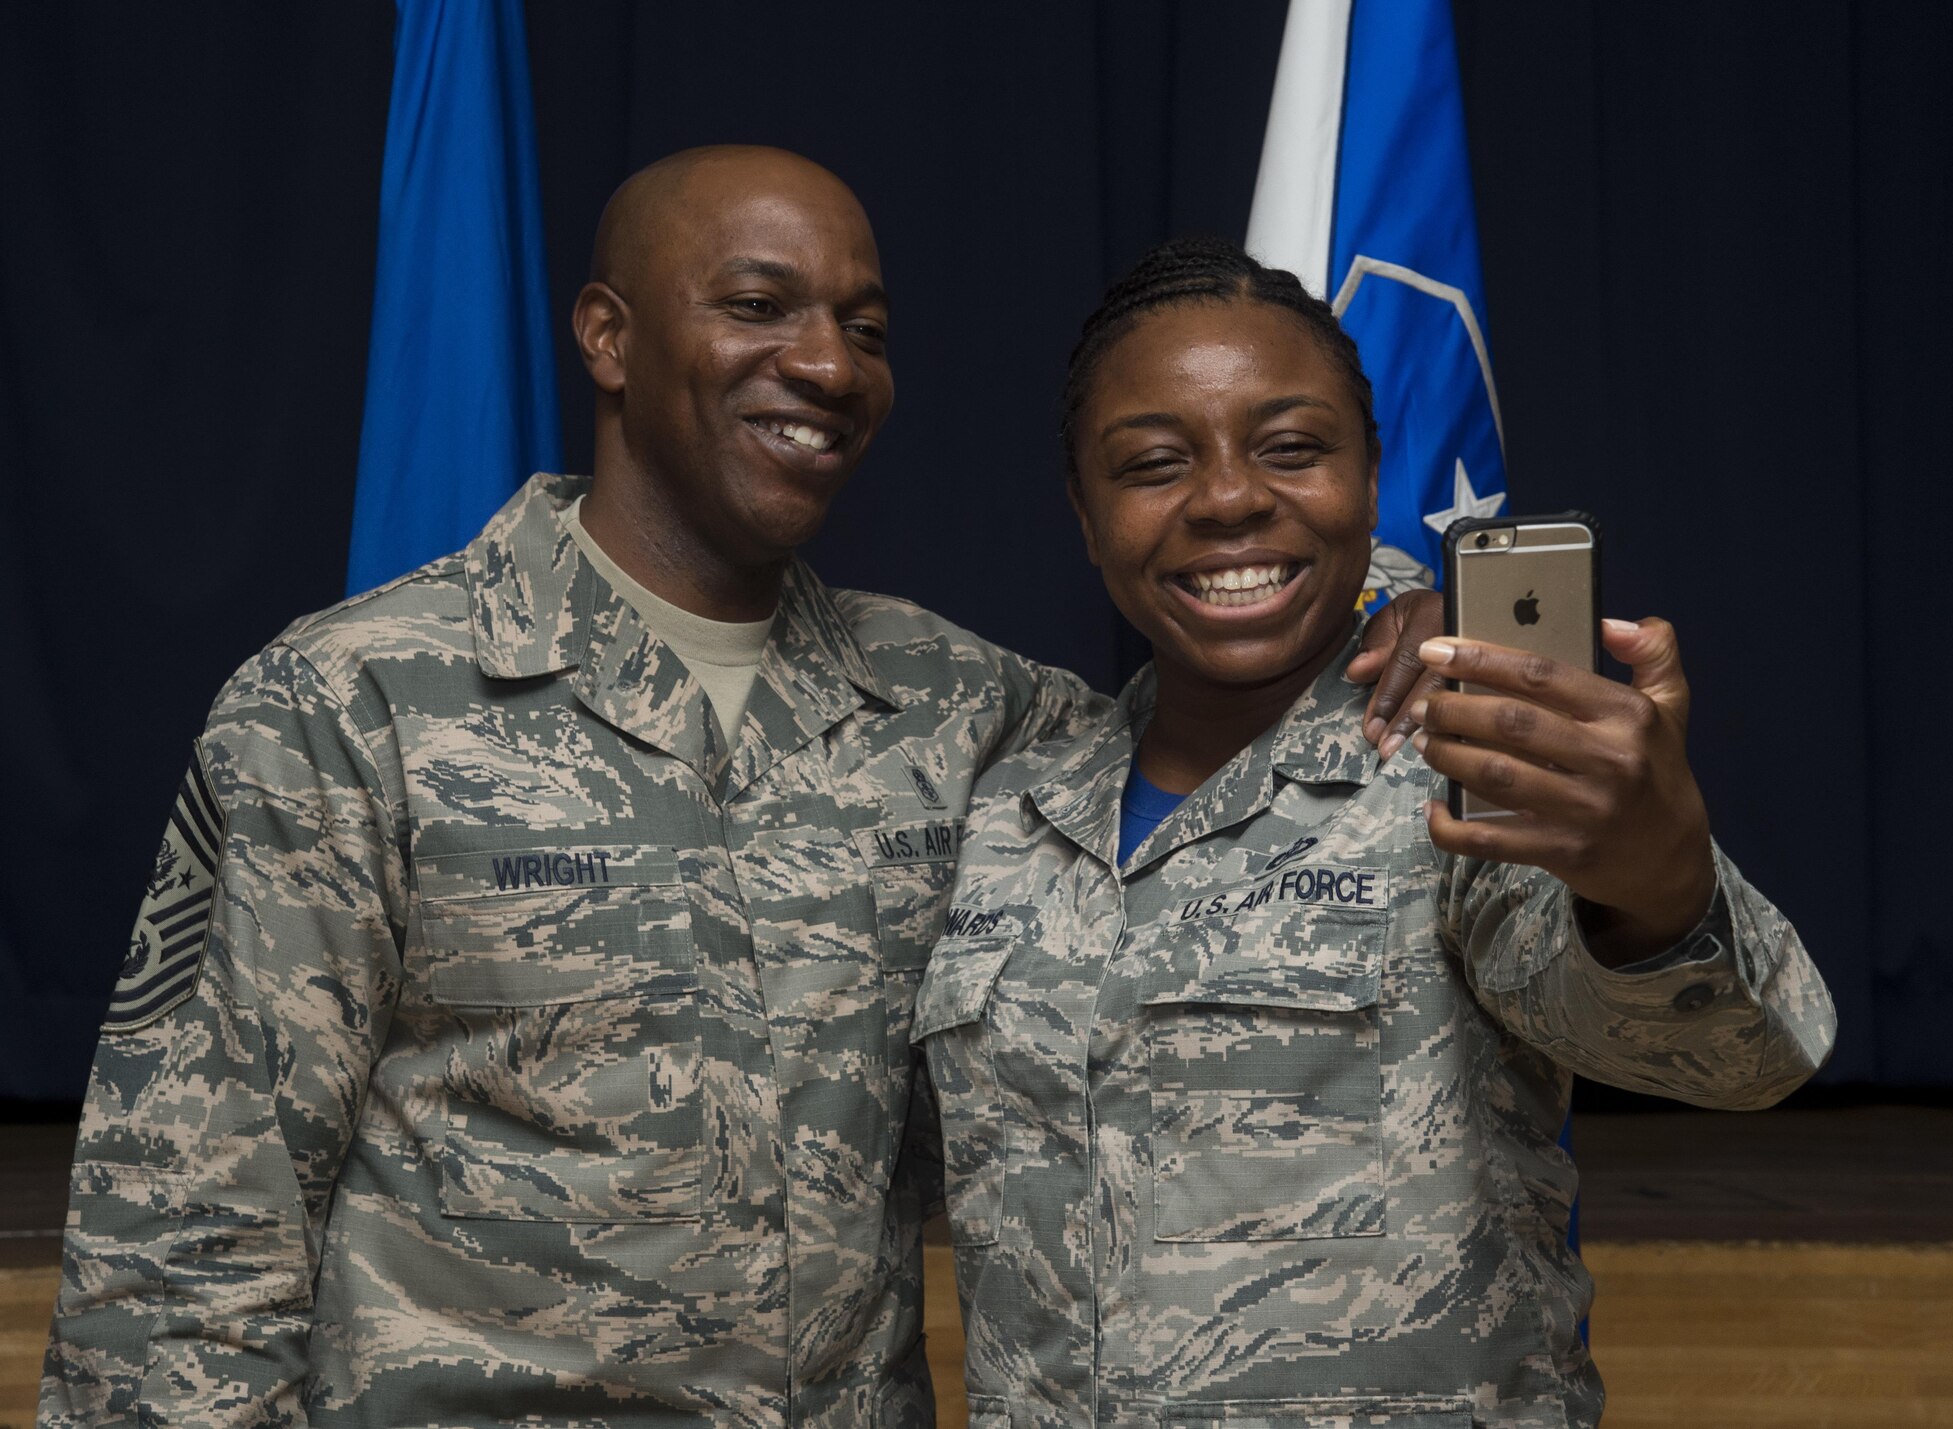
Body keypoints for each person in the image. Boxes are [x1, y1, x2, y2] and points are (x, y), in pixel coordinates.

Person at [41, 152, 1443, 1428]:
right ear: (610, 336)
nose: (827, 364)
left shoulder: (962, 714)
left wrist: (1395, 601)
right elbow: (180, 1242)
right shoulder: (352, 706)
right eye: (761, 307)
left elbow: (1214, 679)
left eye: (867, 329)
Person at [914, 237, 1835, 1428]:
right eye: (1150, 463)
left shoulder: (1460, 771)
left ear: (1369, 473)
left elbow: (1743, 1061)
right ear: (1087, 520)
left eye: (1291, 447)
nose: (1230, 496)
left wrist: (1648, 885)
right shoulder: (1002, 808)